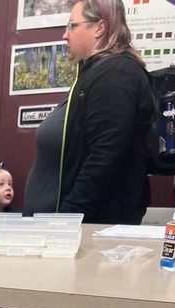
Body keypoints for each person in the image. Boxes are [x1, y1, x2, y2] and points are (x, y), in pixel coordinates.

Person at [23, 0, 155, 224]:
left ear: (99, 28)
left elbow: (104, 158)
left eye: (72, 26)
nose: (66, 35)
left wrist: (66, 220)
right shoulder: (94, 72)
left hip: (88, 231)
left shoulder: (116, 73)